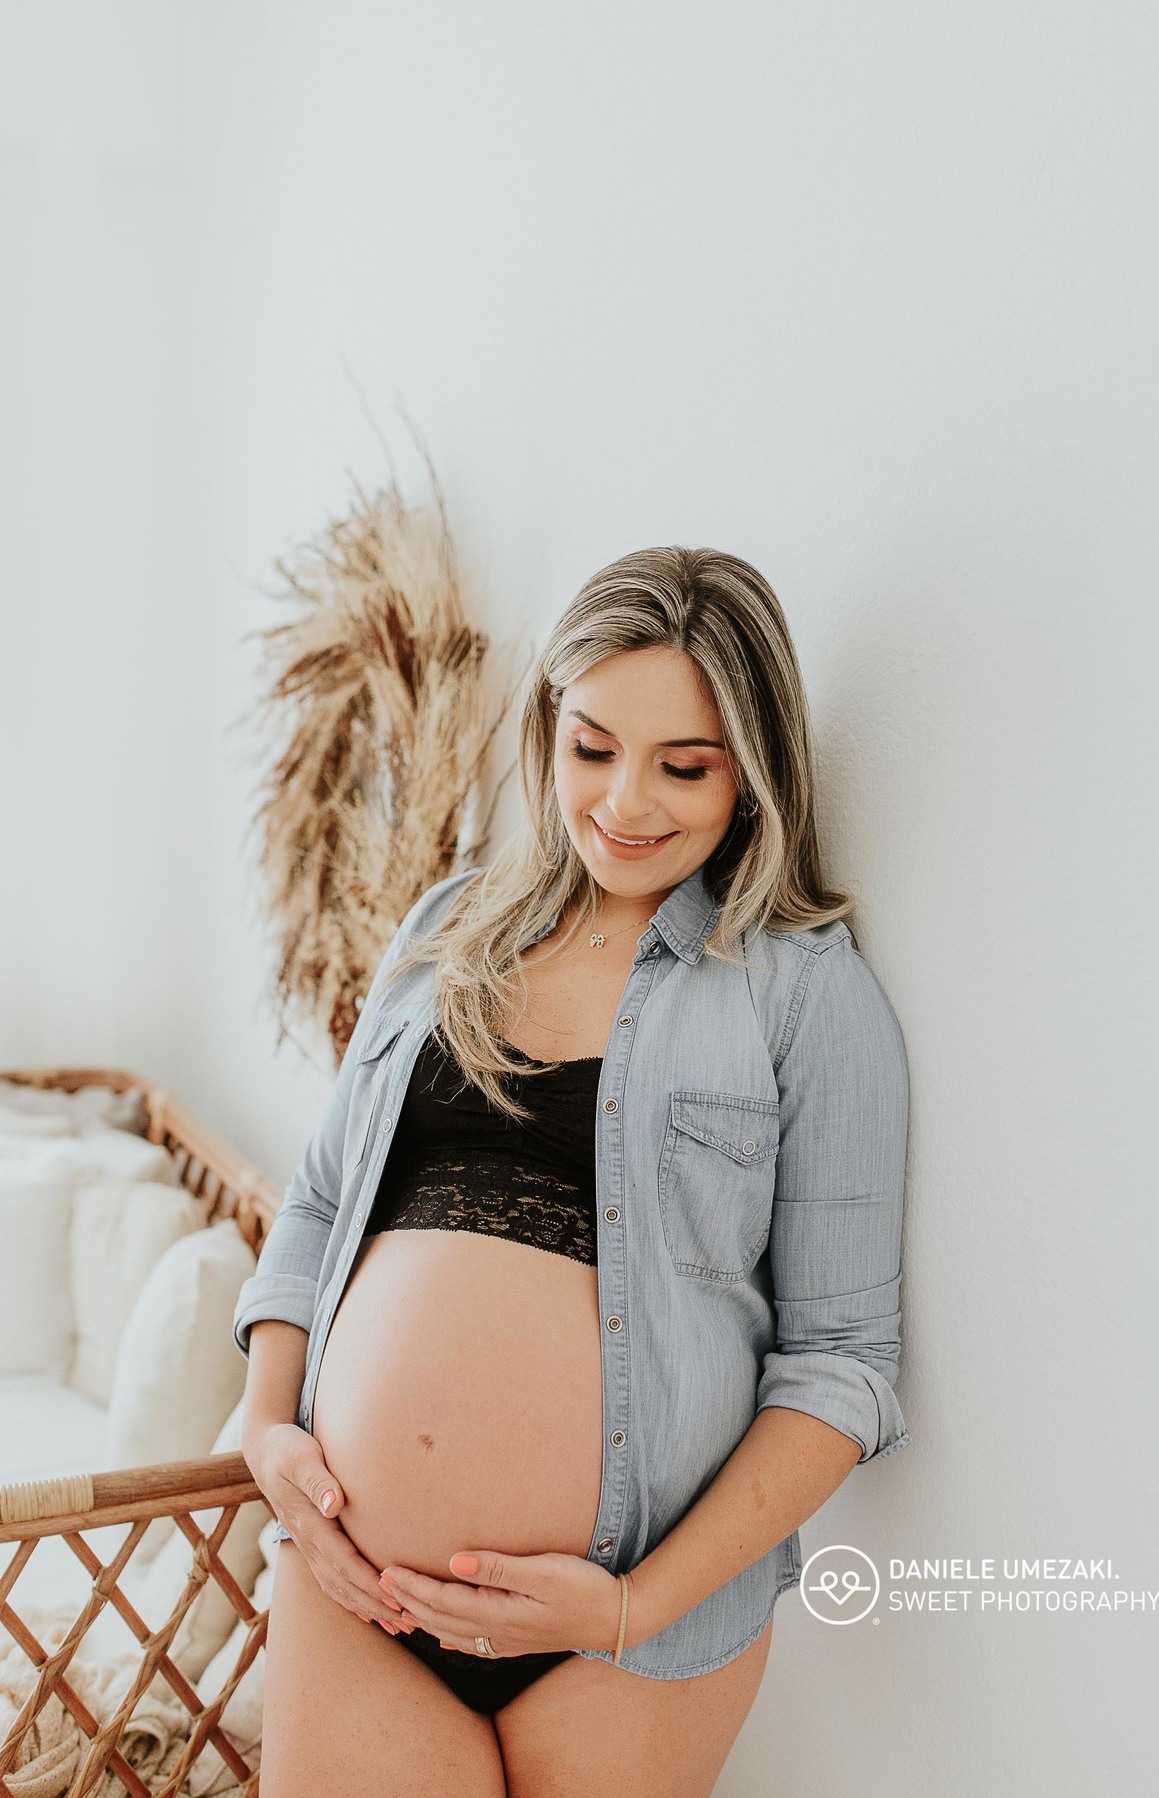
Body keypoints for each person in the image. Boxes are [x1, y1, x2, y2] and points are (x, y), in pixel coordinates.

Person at [234, 545, 912, 1797]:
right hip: (355, 1587)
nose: (625, 803)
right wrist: (267, 1428)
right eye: (591, 746)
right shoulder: (446, 925)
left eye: (684, 765)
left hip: (627, 1638)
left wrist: (624, 1605)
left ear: (753, 768)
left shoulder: (808, 995)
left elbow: (843, 1367)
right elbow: (324, 1199)